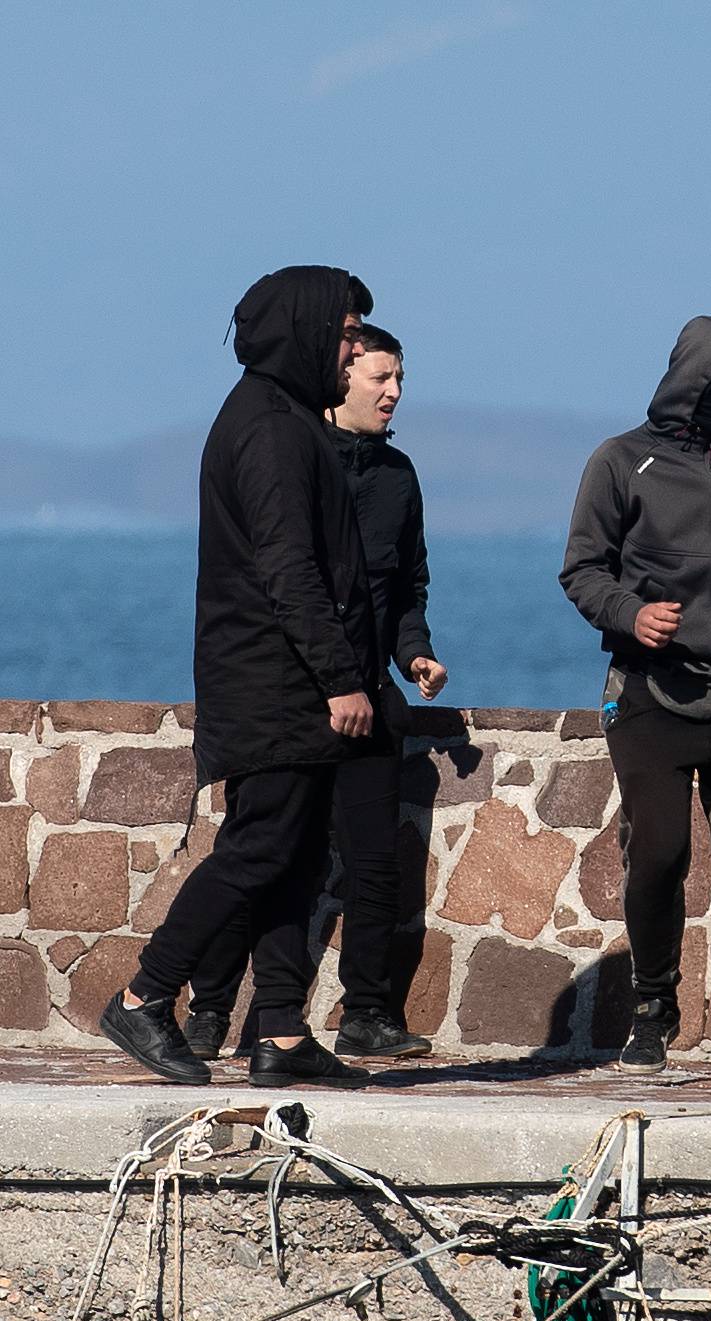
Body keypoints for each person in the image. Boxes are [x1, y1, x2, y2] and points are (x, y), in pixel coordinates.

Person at [98, 266, 386, 1090]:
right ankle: (146, 994)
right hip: (273, 682)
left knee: (293, 857)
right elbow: (286, 567)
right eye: (345, 331)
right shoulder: (267, 426)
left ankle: (283, 1032)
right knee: (260, 848)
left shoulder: (287, 418)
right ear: (304, 331)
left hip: (282, 681)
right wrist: (340, 677)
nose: (355, 345)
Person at [180, 323, 447, 1063]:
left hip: (368, 695)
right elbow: (281, 580)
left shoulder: (399, 478)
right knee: (262, 850)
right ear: (341, 378)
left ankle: (366, 1012)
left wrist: (414, 653)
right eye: (380, 378)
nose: (394, 393)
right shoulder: (293, 454)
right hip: (292, 701)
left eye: (401, 380)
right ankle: (208, 1007)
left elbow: (407, 587)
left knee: (373, 861)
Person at [560, 317, 711, 1091]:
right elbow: (581, 570)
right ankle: (651, 1011)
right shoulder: (622, 460)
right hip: (650, 691)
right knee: (658, 855)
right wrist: (632, 614)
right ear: (694, 382)